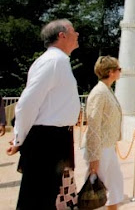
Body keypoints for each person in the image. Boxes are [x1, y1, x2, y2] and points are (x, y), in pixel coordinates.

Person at [6, 19, 80, 209]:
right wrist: (18, 138)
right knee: (36, 199)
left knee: (45, 198)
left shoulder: (59, 61)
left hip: (55, 138)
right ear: (62, 35)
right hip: (47, 141)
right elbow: (27, 103)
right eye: (73, 31)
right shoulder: (53, 61)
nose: (77, 34)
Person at [84, 56, 124, 209]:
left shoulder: (107, 90)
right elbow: (93, 125)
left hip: (107, 146)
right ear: (111, 72)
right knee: (96, 190)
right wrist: (94, 156)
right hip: (100, 148)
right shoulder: (100, 93)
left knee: (114, 185)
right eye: (118, 69)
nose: (120, 72)